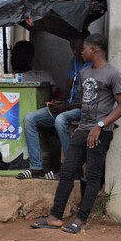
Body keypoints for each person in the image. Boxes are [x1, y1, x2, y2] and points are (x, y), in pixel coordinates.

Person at [31, 33, 121, 234]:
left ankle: (81, 219)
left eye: (84, 48)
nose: (80, 52)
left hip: (99, 133)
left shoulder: (113, 74)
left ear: (94, 49)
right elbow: (85, 103)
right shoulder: (85, 73)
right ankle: (55, 217)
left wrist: (101, 125)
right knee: (67, 172)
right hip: (83, 129)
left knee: (92, 175)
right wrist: (66, 107)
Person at [17, 36, 92, 180]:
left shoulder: (91, 68)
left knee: (61, 119)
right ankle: (37, 167)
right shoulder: (75, 62)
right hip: (69, 106)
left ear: (88, 47)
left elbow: (88, 103)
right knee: (30, 119)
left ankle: (72, 168)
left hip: (81, 109)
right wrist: (59, 102)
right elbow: (67, 88)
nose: (76, 52)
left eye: (79, 48)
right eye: (73, 48)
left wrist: (66, 106)